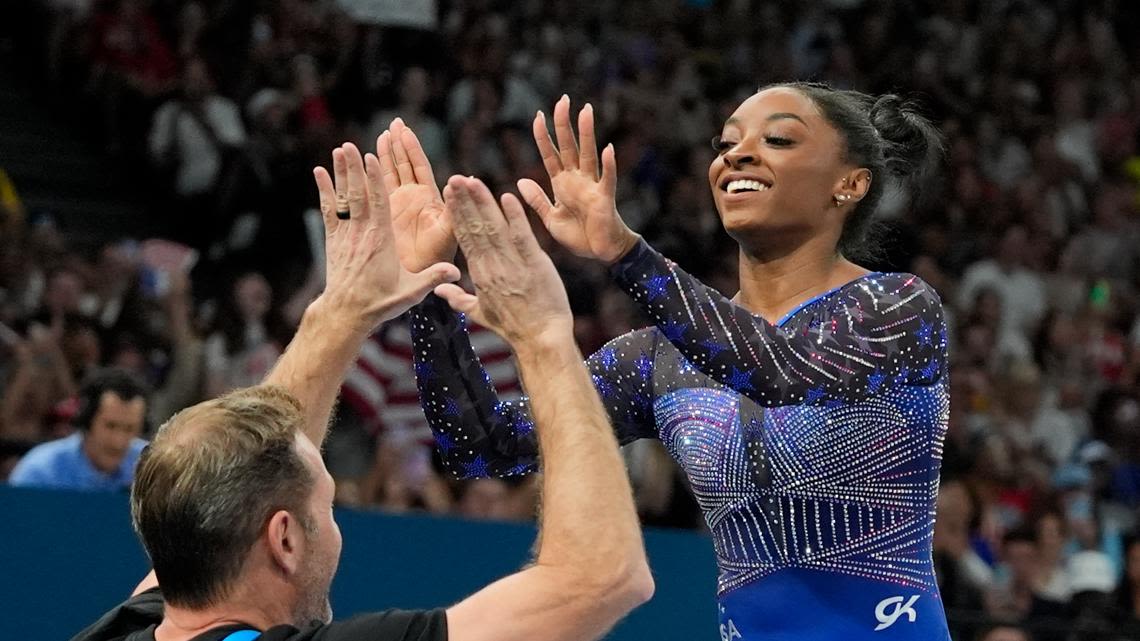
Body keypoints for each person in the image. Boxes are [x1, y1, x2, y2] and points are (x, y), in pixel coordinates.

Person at [391, 83, 951, 639]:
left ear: (849, 184)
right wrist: (429, 289)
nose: (738, 153)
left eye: (778, 138)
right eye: (725, 142)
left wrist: (622, 250)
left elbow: (782, 372)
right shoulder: (660, 358)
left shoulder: (898, 307)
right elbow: (487, 447)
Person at [70, 142, 653, 641]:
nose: (334, 521)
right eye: (326, 506)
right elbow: (601, 577)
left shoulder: (126, 626)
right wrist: (546, 337)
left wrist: (345, 309)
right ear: (285, 538)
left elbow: (245, 458)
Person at [9, 368, 148, 491]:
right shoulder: (41, 471)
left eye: (130, 429)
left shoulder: (152, 469)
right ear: (87, 420)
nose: (118, 441)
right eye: (110, 426)